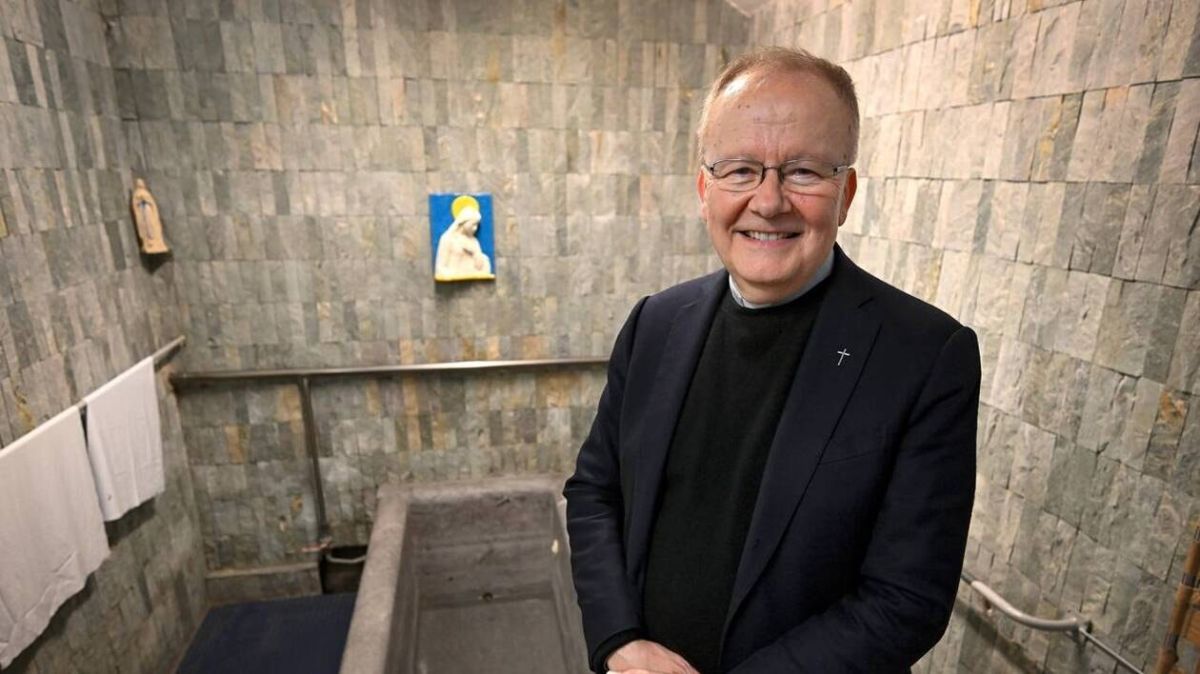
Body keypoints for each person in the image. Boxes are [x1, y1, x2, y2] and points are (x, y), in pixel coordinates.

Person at [563, 47, 980, 674]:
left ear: (846, 193)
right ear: (705, 189)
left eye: (804, 172)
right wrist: (619, 641)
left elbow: (907, 597)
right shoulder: (655, 323)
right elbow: (596, 492)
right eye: (739, 170)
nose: (769, 200)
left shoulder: (925, 357)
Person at [434, 205, 493, 281]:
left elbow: (479, 266)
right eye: (473, 224)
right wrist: (453, 274)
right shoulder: (448, 238)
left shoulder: (474, 241)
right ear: (464, 222)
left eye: (477, 225)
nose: (475, 228)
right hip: (454, 277)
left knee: (485, 258)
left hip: (472, 276)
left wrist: (475, 253)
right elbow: (440, 267)